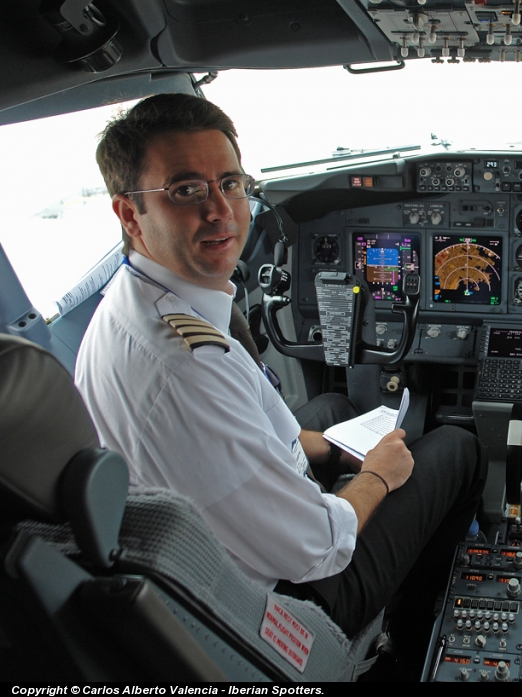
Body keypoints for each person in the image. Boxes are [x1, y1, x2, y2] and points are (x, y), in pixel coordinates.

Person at [74, 93, 486, 677]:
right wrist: (375, 477)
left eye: (230, 183)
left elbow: (261, 426)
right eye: (186, 190)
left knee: (335, 405)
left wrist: (327, 448)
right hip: (281, 598)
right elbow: (317, 546)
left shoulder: (134, 302)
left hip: (197, 525)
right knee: (456, 449)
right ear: (129, 213)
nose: (221, 210)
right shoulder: (187, 366)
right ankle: (410, 645)